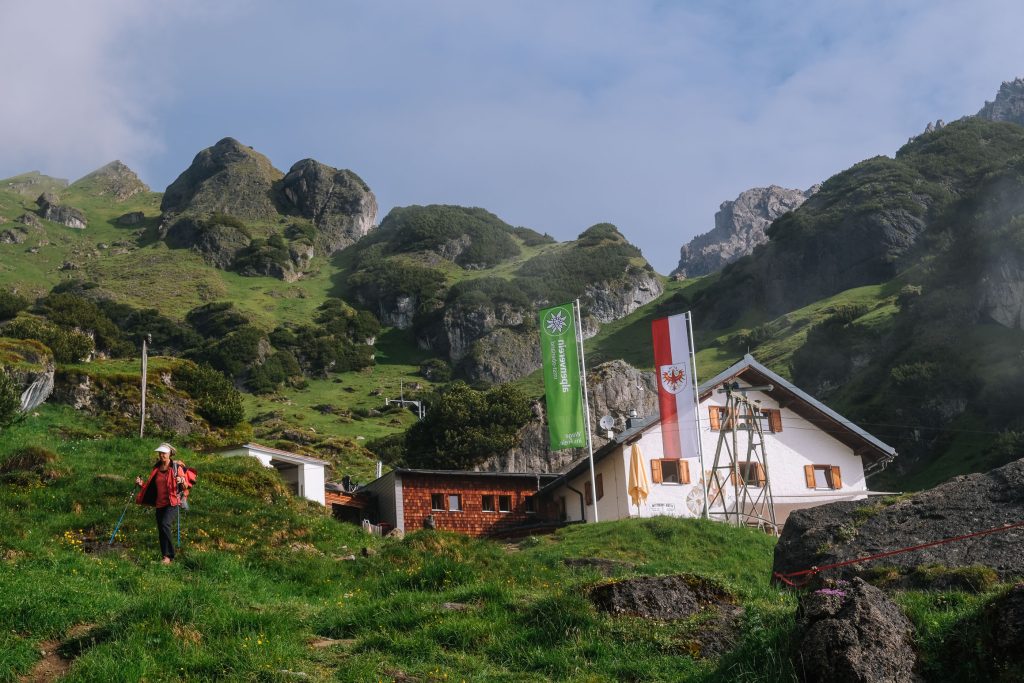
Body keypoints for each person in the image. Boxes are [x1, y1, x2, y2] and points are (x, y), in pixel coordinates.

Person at [135, 442, 190, 564]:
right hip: (160, 503)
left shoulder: (176, 467)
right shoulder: (156, 469)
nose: (161, 455)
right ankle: (165, 556)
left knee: (165, 524)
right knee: (161, 529)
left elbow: (185, 486)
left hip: (173, 502)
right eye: (160, 453)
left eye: (164, 453)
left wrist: (181, 480)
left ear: (170, 454)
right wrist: (140, 484)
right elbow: (150, 487)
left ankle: (169, 556)